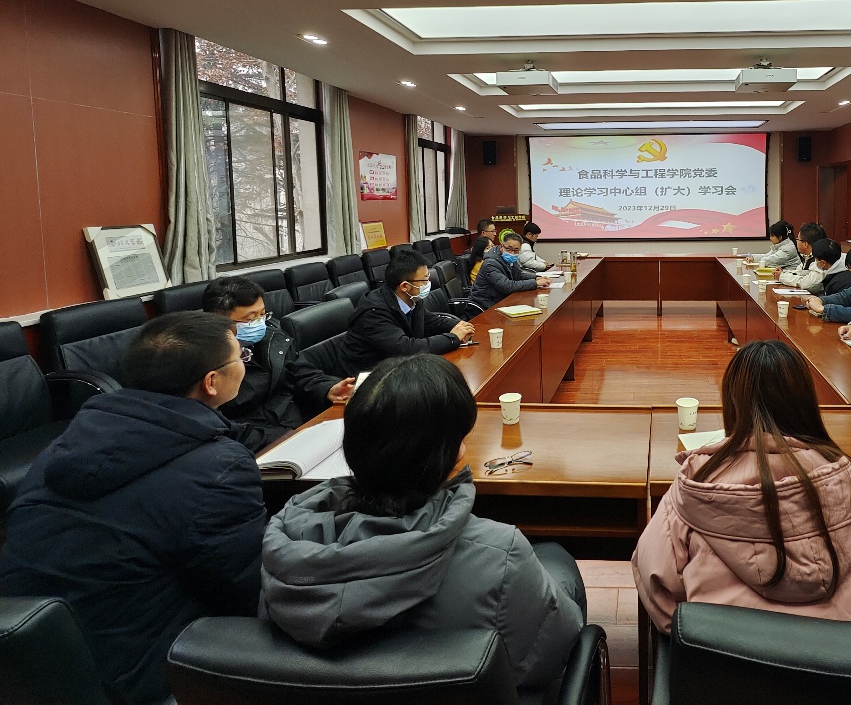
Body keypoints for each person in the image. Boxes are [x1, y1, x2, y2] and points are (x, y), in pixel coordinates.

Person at [260, 353, 585, 705]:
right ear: (453, 454)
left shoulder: (287, 545)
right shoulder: (500, 555)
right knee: (556, 562)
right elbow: (552, 653)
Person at [0, 312, 266, 705]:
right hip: (143, 676)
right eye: (241, 356)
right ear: (211, 382)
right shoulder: (221, 468)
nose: (245, 362)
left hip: (36, 665)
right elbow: (247, 591)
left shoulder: (77, 436)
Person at [632, 340, 851, 633]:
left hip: (728, 657)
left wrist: (694, 635)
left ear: (732, 403)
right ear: (806, 403)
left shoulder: (697, 483)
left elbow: (657, 585)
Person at [202, 276, 354, 450]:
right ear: (219, 322)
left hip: (297, 422)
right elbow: (220, 426)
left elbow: (300, 371)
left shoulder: (273, 335)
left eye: (262, 314)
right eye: (250, 319)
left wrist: (327, 388)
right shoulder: (205, 361)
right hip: (256, 442)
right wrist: (282, 437)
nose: (260, 323)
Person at [337, 250, 475, 374]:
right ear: (405, 286)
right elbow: (406, 348)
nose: (428, 283)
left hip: (396, 366)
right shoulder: (374, 312)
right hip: (367, 375)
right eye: (424, 280)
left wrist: (458, 325)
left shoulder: (412, 298)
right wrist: (452, 338)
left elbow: (430, 321)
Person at [469, 232, 550, 310]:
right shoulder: (490, 263)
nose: (512, 253)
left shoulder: (510, 259)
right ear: (501, 246)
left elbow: (518, 275)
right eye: (508, 249)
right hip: (485, 304)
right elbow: (507, 286)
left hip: (501, 299)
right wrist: (535, 283)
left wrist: (536, 277)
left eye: (516, 250)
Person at [777, 222, 828, 293]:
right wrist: (783, 273)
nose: (796, 241)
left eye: (798, 239)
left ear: (805, 244)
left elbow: (809, 284)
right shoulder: (807, 256)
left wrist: (782, 277)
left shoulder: (819, 259)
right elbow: (800, 273)